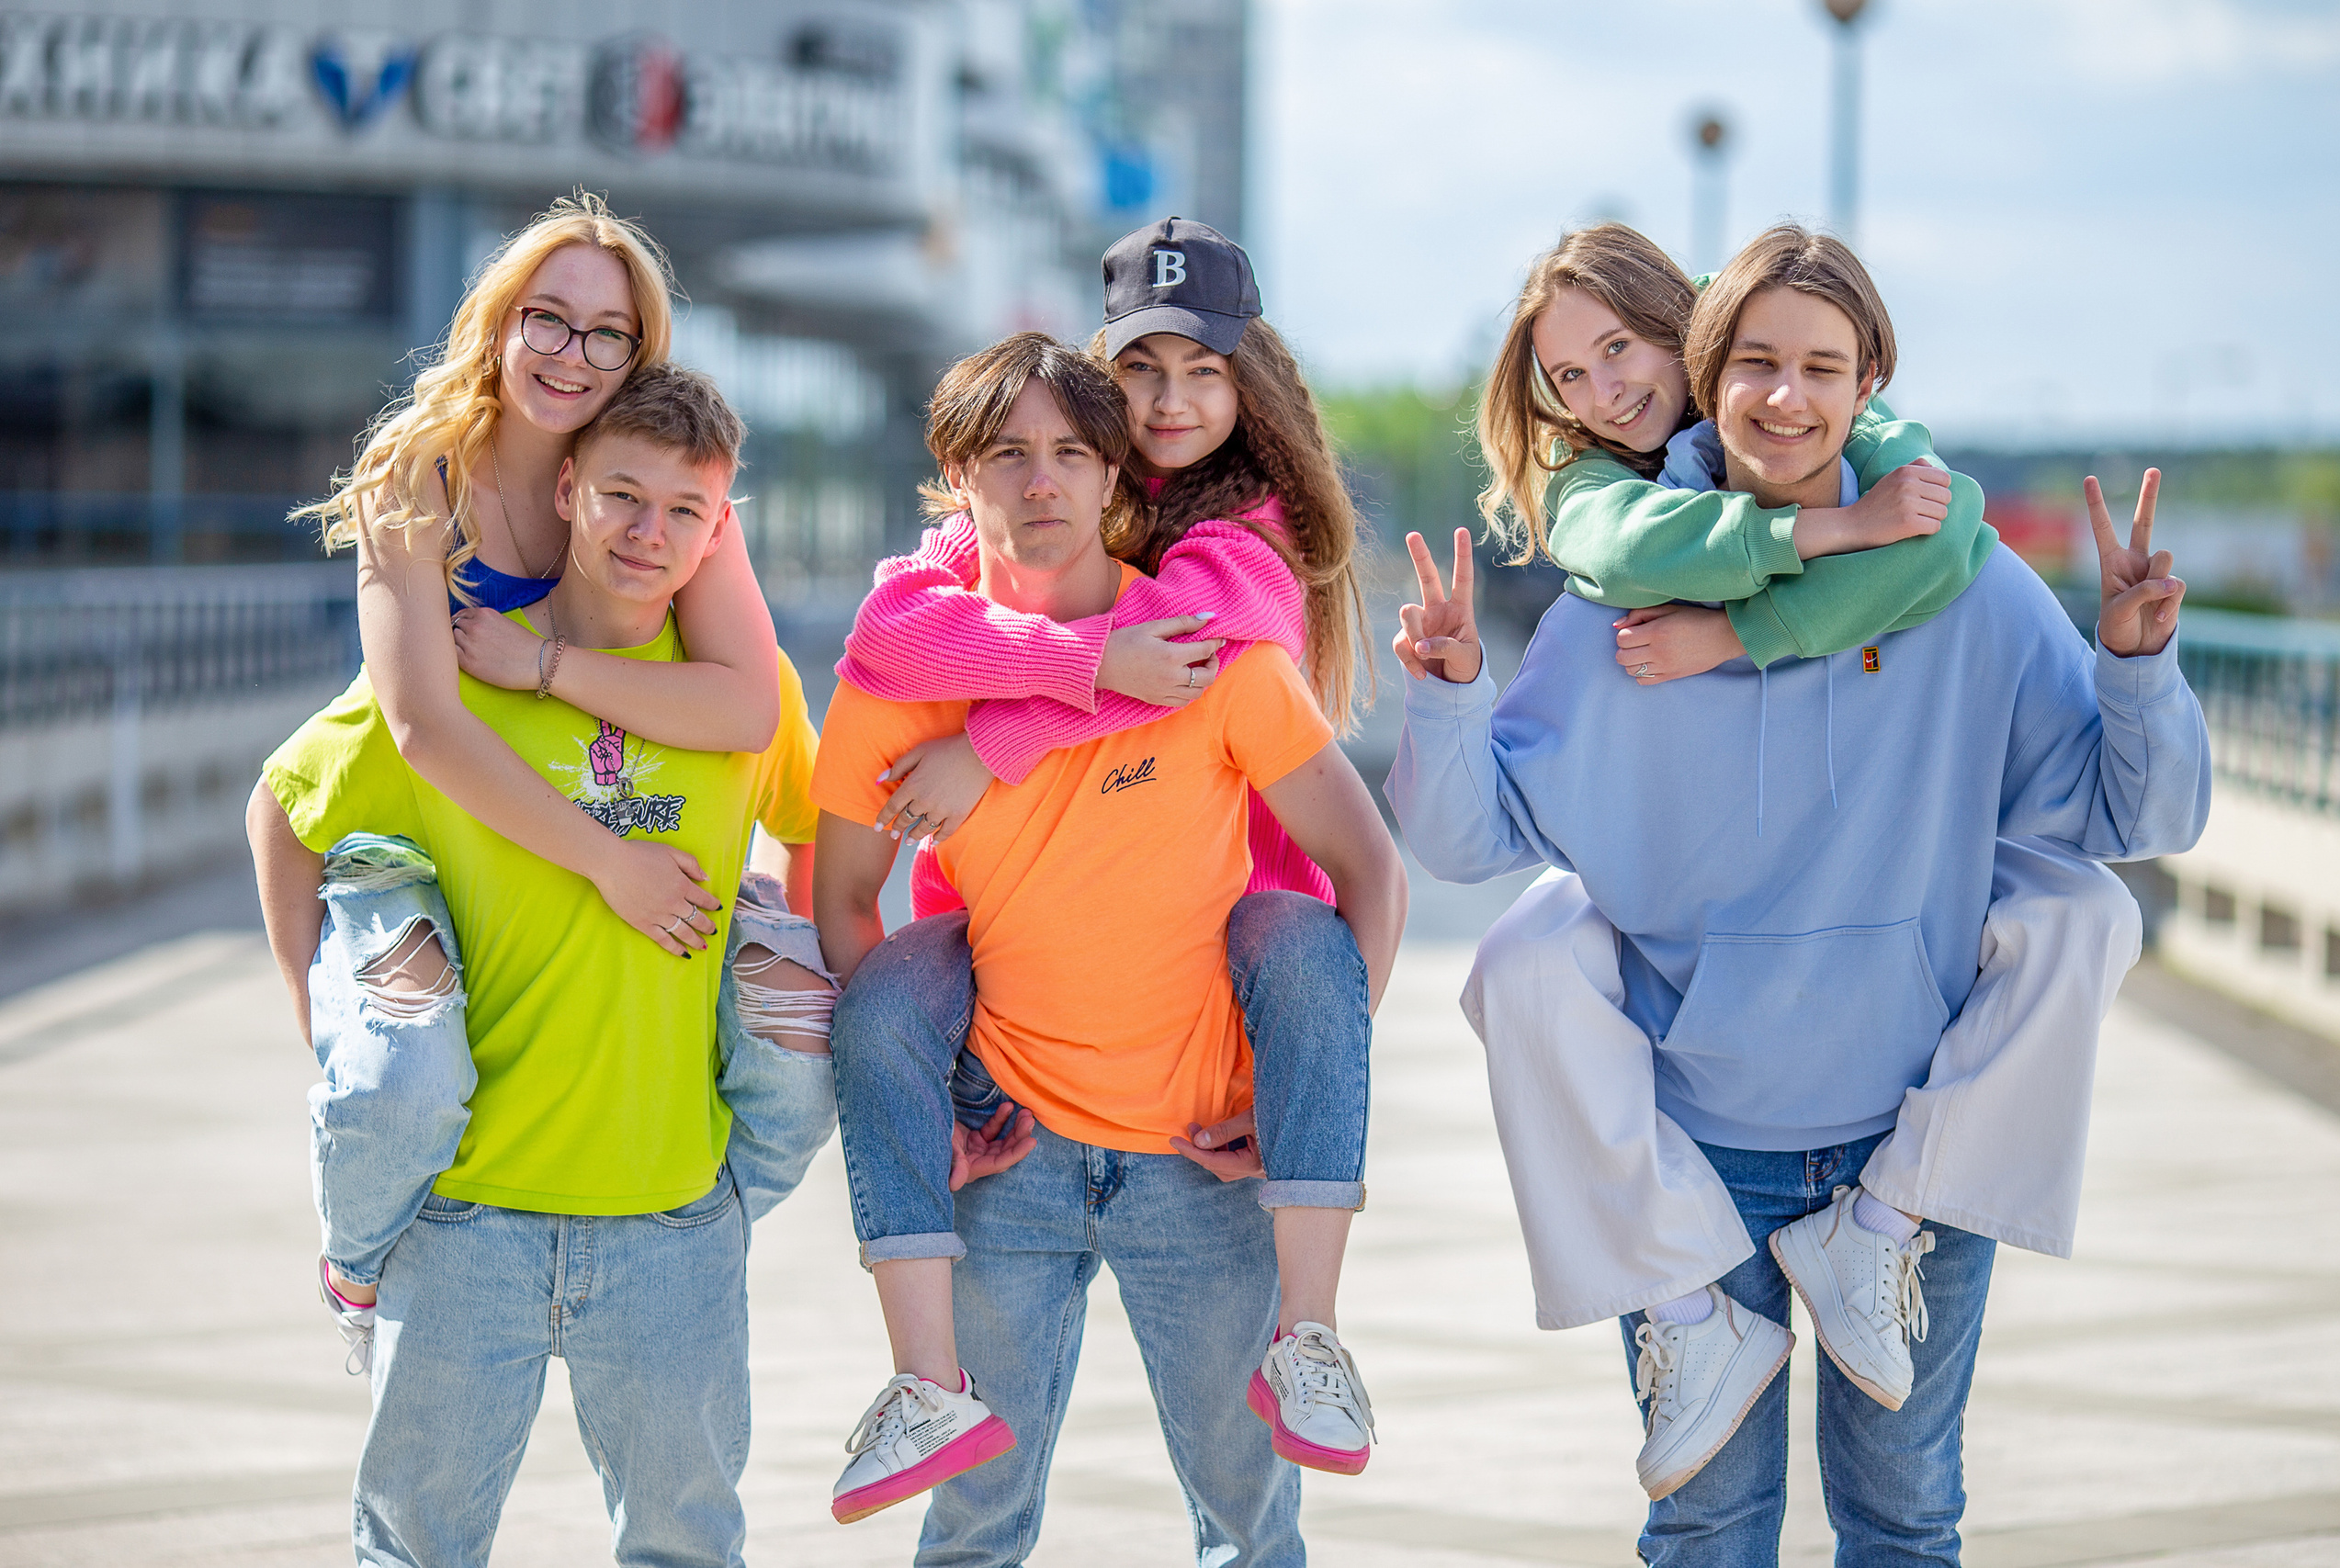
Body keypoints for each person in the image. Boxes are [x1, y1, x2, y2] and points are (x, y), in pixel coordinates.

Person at [1387, 225, 2210, 1563]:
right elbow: (1469, 837)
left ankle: (1875, 1226)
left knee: (1904, 1519)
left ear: (1870, 376)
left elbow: (2141, 819)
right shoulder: (1617, 619)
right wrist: (1446, 687)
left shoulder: (1971, 593)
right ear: (1708, 377)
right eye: (1756, 362)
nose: (1785, 395)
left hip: (1910, 1156)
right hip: (1697, 1157)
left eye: (1821, 365)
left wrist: (2135, 657)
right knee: (1706, 1527)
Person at [810, 332, 1407, 1559]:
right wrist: (934, 1113)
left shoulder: (1206, 659)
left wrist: (1303, 1095)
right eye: (1006, 454)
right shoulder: (913, 671)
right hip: (1012, 1152)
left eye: (1071, 453)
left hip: (1195, 1160)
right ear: (955, 480)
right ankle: (917, 1379)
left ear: (1113, 478)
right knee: (972, 1528)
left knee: (1250, 1527)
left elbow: (1368, 873)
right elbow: (843, 895)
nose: (1040, 481)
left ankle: (1316, 1335)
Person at [251, 365, 836, 1566]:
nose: (648, 532)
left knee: (688, 1548)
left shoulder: (746, 694)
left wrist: (781, 975)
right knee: (414, 1549)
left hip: (671, 1221)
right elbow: (283, 806)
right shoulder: (456, 674)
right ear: (567, 488)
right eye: (623, 495)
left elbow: (819, 820)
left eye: (686, 511)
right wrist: (331, 1035)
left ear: (721, 527)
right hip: (467, 1220)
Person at [246, 194, 789, 1356]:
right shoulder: (421, 472)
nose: (572, 355)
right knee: (391, 1080)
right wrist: (612, 866)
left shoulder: (656, 484)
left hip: (536, 807)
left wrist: (546, 666)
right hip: (383, 819)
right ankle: (353, 1270)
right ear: (497, 324)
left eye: (608, 335)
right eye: (548, 319)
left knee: (791, 1046)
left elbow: (745, 703)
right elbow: (422, 734)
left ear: (639, 356)